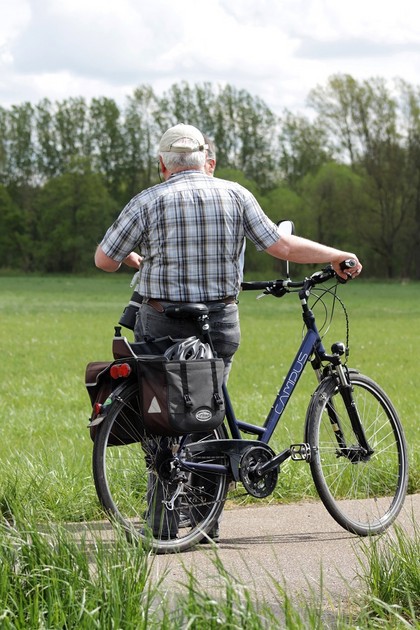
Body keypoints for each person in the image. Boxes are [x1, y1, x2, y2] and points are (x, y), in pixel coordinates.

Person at [94, 122, 362, 540]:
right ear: (206, 160)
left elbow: (104, 260)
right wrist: (337, 255)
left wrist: (140, 260)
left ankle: (163, 520)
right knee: (205, 412)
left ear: (163, 164)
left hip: (161, 319)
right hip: (218, 321)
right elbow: (282, 247)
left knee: (162, 418)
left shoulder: (147, 201)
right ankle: (205, 522)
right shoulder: (235, 195)